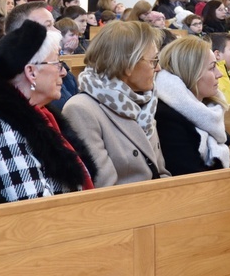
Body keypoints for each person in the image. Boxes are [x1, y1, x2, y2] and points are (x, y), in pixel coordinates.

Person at [0, 21, 95, 203]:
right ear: (31, 72)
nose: (62, 72)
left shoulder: (41, 113)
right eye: (57, 62)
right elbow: (33, 208)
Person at [62, 21, 170, 187]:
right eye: (153, 61)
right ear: (128, 65)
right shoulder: (81, 109)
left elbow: (161, 172)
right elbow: (105, 187)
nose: (158, 68)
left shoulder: (144, 101)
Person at [155, 36, 230, 175]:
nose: (219, 74)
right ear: (191, 72)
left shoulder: (209, 108)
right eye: (212, 67)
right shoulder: (166, 118)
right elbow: (190, 177)